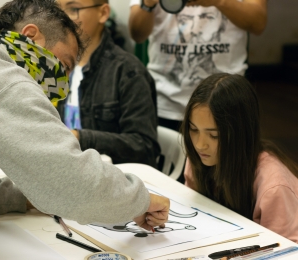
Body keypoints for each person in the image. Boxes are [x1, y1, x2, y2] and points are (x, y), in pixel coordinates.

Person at [0, 0, 169, 231]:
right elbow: (71, 182)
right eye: (64, 66)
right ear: (31, 36)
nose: (62, 85)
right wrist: (139, 201)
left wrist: (23, 197)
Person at [181, 73, 298, 242]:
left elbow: (288, 251)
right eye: (193, 129)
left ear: (241, 134)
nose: (200, 144)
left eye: (213, 135)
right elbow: (194, 213)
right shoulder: (199, 157)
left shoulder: (273, 187)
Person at [129, 0, 267, 131]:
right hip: (165, 101)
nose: (195, 30)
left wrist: (219, 2)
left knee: (229, 155)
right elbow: (137, 35)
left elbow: (258, 23)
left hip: (228, 99)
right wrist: (147, 4)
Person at [56, 0, 160, 167]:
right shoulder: (53, 64)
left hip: (110, 179)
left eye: (73, 9)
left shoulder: (128, 71)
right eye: (56, 10)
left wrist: (80, 137)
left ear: (103, 13)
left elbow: (144, 148)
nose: (61, 18)